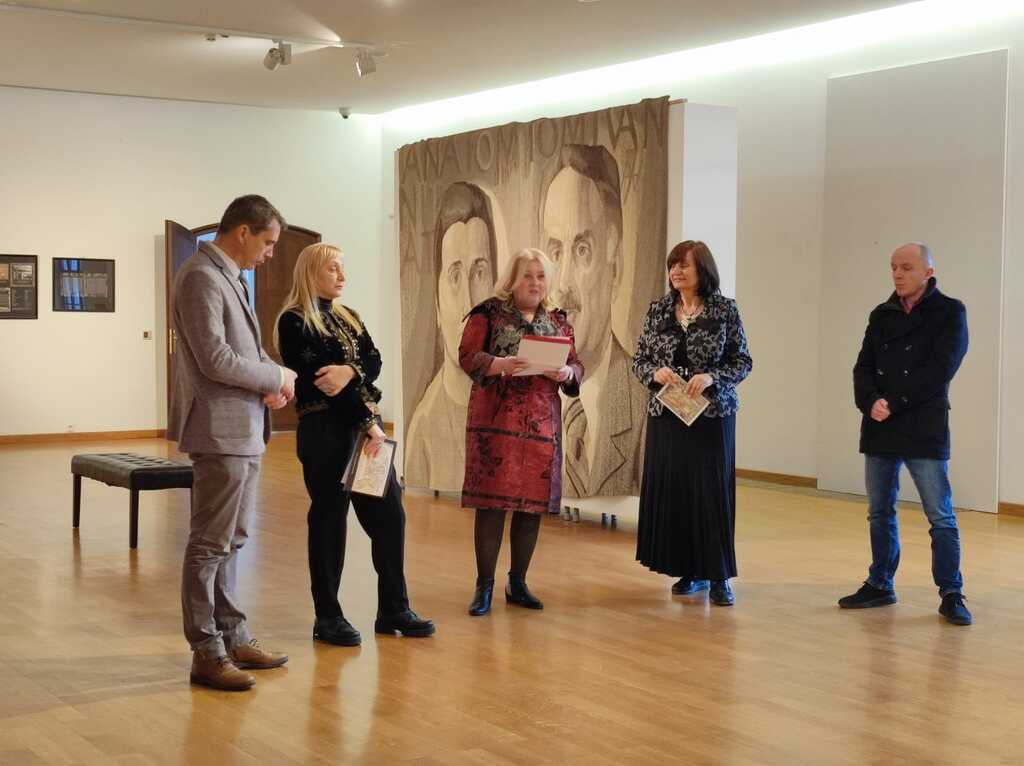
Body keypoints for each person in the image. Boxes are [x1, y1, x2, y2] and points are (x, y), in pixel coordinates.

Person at [275, 243, 435, 646]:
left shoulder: (349, 316)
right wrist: (367, 419)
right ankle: (328, 616)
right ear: (311, 272)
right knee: (330, 521)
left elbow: (373, 360)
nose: (342, 276)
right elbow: (325, 384)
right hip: (326, 432)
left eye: (342, 268)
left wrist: (350, 370)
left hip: (366, 430)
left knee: (390, 516)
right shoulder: (295, 321)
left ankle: (393, 608)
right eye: (333, 269)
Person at [169, 194, 297, 691]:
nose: (269, 253)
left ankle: (233, 635)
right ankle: (206, 652)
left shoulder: (231, 277)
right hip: (218, 429)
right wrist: (275, 377)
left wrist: (274, 381)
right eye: (267, 242)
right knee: (209, 544)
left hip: (244, 428)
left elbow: (251, 349)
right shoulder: (200, 276)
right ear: (242, 232)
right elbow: (215, 359)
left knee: (234, 539)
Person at [839, 243, 972, 625]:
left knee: (940, 515)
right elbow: (863, 367)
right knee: (879, 512)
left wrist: (893, 402)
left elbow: (941, 369)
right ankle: (880, 583)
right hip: (880, 424)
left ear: (928, 272)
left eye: (907, 267)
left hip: (923, 426)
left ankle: (951, 593)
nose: (898, 274)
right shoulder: (881, 314)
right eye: (894, 267)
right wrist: (869, 402)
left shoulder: (950, 312)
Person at [458, 247, 584, 615]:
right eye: (527, 275)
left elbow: (576, 364)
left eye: (541, 276)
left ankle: (518, 583)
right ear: (512, 279)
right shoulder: (488, 313)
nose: (534, 283)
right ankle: (484, 586)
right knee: (492, 506)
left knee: (531, 507)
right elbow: (467, 355)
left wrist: (567, 373)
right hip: (496, 424)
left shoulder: (558, 321)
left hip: (541, 426)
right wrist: (501, 363)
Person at [632, 241, 752, 606]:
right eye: (673, 265)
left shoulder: (725, 310)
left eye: (683, 265)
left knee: (711, 494)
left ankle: (718, 576)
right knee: (678, 493)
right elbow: (639, 360)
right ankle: (690, 570)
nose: (676, 271)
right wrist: (655, 372)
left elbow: (742, 361)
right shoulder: (658, 310)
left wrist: (712, 377)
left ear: (704, 269)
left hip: (712, 417)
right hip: (668, 414)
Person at [541, 143, 648, 498]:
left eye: (582, 250)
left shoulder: (644, 405)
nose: (563, 282)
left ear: (615, 265)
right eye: (556, 252)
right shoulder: (530, 387)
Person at [405, 182, 499, 492]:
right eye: (455, 277)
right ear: (436, 302)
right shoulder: (424, 432)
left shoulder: (510, 400)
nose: (468, 301)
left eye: (479, 273)